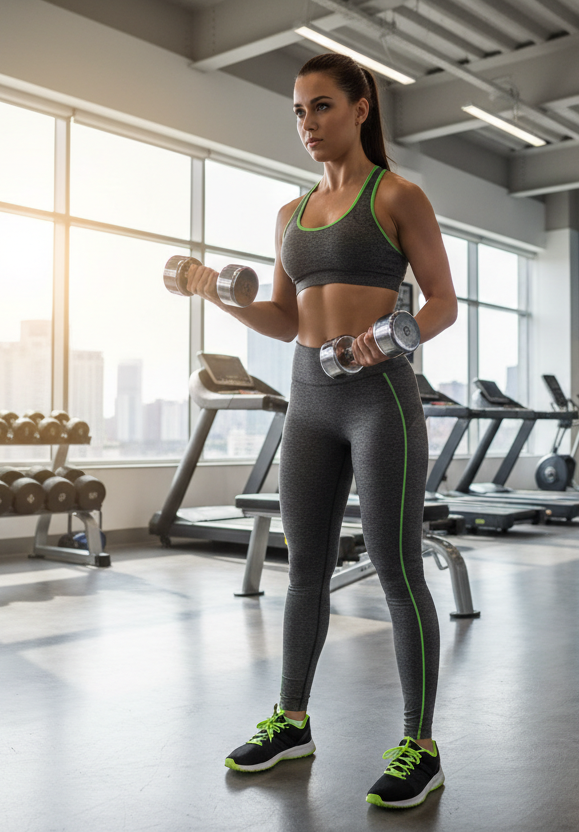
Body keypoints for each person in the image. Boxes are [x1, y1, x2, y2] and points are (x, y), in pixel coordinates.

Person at [179, 53, 457, 809]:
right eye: (299, 112)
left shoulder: (396, 195)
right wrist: (220, 297)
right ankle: (292, 721)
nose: (308, 124)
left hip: (379, 398)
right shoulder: (288, 215)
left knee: (397, 569)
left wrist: (394, 336)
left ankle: (420, 747)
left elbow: (441, 303)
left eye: (323, 107)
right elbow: (285, 318)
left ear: (362, 107)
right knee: (302, 569)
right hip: (310, 399)